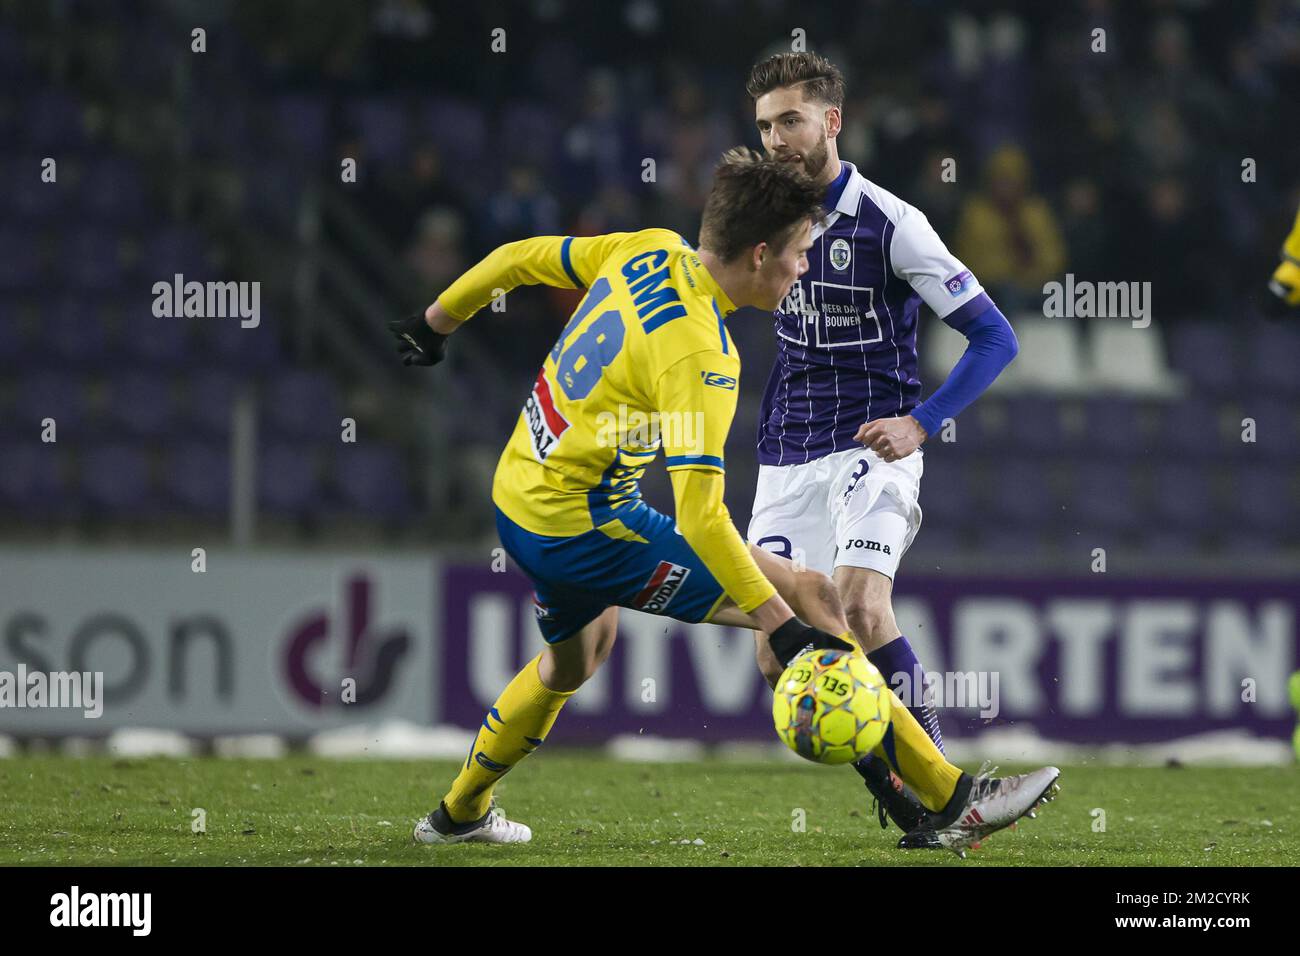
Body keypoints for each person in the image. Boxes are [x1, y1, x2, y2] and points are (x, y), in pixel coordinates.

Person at [388, 149, 1058, 854]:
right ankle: (949, 798)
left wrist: (436, 321)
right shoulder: (702, 356)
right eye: (799, 254)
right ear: (761, 252)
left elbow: (520, 257)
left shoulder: (645, 250)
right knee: (812, 597)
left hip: (519, 493)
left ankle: (459, 812)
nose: (803, 270)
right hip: (583, 527)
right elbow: (700, 517)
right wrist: (780, 621)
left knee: (575, 661)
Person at [742, 53, 1024, 833]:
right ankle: (912, 807)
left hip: (875, 444)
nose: (776, 139)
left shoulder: (894, 224)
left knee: (861, 606)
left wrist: (922, 421)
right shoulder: (761, 213)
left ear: (832, 121)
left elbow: (995, 338)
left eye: (790, 121)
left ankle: (948, 796)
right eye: (765, 125)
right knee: (779, 654)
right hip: (786, 453)